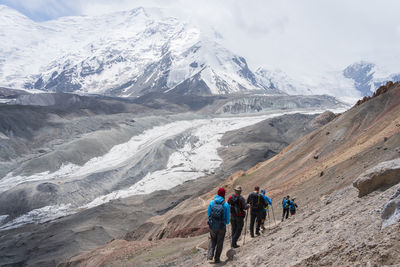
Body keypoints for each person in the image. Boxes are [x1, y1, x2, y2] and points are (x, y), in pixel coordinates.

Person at [207, 187, 230, 263]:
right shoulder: (226, 204)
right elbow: (227, 217)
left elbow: (208, 213)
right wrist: (226, 223)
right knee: (220, 242)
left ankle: (210, 254)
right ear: (223, 194)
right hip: (221, 227)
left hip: (212, 226)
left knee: (213, 240)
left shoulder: (212, 203)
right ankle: (217, 259)